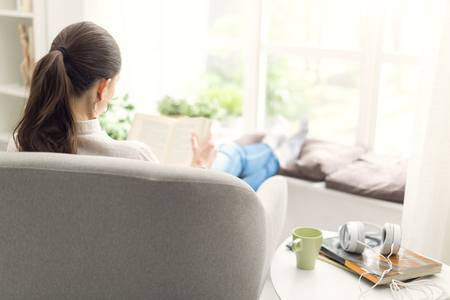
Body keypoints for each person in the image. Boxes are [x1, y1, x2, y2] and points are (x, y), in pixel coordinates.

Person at [8, 21, 307, 191]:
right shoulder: (133, 157)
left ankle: (275, 151)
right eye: (116, 84)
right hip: (192, 190)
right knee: (229, 159)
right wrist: (199, 169)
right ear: (102, 89)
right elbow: (187, 211)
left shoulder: (18, 146)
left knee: (243, 174)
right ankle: (274, 151)